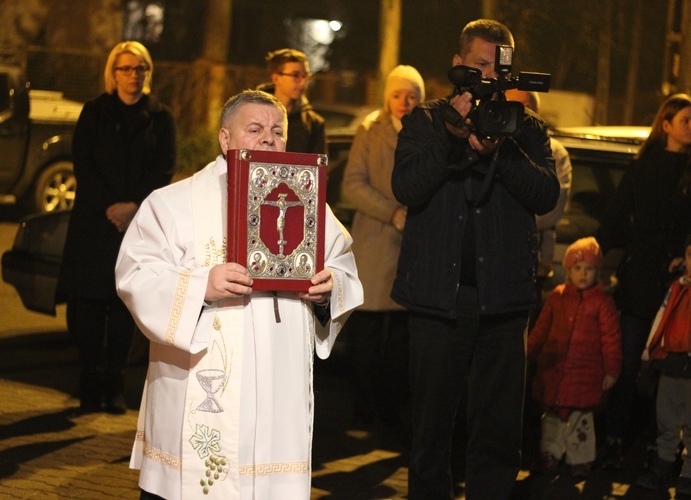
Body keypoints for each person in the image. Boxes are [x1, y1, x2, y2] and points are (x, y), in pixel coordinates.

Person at [114, 89, 363, 499]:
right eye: (255, 129)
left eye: (278, 131)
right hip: (197, 387)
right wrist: (201, 285)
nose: (269, 139)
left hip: (275, 403)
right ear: (225, 139)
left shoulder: (308, 202)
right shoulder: (172, 203)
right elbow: (135, 275)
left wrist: (327, 290)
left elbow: (343, 266)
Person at [390, 19, 560, 499]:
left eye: (499, 65)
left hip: (503, 307)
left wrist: (501, 151)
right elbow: (406, 187)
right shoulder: (425, 121)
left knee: (498, 434)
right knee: (430, 433)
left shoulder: (524, 127)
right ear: (459, 65)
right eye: (481, 64)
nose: (490, 74)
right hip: (436, 303)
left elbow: (545, 194)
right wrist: (453, 140)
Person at [58, 41, 176, 414]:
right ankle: (89, 380)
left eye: (139, 68)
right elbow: (83, 162)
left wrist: (135, 207)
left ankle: (115, 383)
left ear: (147, 72)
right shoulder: (94, 112)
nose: (133, 75)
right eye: (125, 68)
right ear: (113, 73)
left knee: (127, 305)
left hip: (137, 228)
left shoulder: (161, 117)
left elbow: (164, 169)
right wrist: (111, 208)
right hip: (95, 222)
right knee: (87, 306)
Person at [597, 93, 691, 469]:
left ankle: (660, 445)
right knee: (627, 365)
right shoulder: (642, 169)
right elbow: (616, 219)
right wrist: (595, 250)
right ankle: (615, 438)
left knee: (669, 372)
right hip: (638, 281)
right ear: (665, 125)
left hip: (677, 288)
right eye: (686, 120)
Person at [340, 64, 425, 430]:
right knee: (367, 338)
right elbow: (352, 184)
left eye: (411, 96)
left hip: (413, 249)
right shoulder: (370, 131)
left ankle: (392, 413)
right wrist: (391, 212)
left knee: (402, 342)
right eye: (397, 94)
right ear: (386, 97)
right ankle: (364, 410)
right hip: (375, 246)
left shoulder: (429, 133)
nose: (404, 102)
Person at [527, 237, 622, 478]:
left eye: (589, 269)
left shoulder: (602, 303)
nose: (583, 274)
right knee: (551, 418)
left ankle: (580, 458)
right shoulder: (557, 297)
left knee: (581, 420)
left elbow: (611, 339)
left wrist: (611, 371)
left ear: (596, 272)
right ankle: (549, 454)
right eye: (578, 268)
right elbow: (541, 328)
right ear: (568, 270)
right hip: (554, 369)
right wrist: (530, 351)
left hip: (585, 374)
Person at [636, 234, 691, 497]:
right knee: (667, 419)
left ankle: (688, 476)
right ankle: (663, 466)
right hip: (672, 362)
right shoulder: (678, 287)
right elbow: (663, 315)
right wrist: (651, 349)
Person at [505, 89, 573, 281]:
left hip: (535, 258)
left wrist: (504, 222)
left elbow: (552, 208)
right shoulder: (493, 145)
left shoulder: (555, 152)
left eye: (523, 107)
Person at [257, 48, 326, 154]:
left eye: (305, 76)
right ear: (276, 78)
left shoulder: (313, 124)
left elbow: (317, 167)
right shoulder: (254, 114)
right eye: (295, 75)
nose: (303, 83)